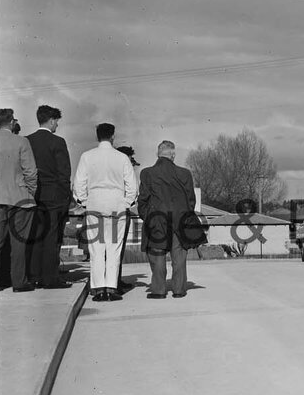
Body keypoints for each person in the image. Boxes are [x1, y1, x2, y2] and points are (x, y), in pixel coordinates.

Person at [73, 123, 137, 302]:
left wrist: (85, 201)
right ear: (113, 136)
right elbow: (132, 186)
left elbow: (78, 184)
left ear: (97, 136)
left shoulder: (87, 156)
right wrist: (126, 202)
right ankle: (111, 287)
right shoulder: (122, 158)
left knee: (96, 249)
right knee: (114, 248)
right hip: (117, 205)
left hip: (95, 205)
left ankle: (99, 288)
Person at [137, 140, 205, 299]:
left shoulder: (147, 173)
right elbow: (191, 200)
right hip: (180, 219)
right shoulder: (185, 173)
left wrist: (148, 217)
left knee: (157, 255)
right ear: (173, 155)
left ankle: (159, 291)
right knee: (179, 256)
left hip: (156, 220)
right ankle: (179, 290)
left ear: (158, 154)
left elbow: (143, 200)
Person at [25, 105, 73, 289]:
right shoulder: (58, 142)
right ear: (52, 120)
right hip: (54, 196)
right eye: (57, 122)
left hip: (33, 195)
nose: (57, 126)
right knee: (52, 237)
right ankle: (50, 278)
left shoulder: (27, 140)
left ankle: (34, 275)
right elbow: (64, 173)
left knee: (36, 236)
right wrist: (66, 197)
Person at [0, 109, 37, 292]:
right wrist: (31, 193)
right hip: (20, 199)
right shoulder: (22, 141)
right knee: (18, 243)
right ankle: (19, 282)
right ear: (12, 122)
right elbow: (31, 172)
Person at [114, 145, 140, 292]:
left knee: (117, 248)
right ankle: (114, 282)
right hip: (121, 211)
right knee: (117, 248)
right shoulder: (122, 172)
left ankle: (116, 279)